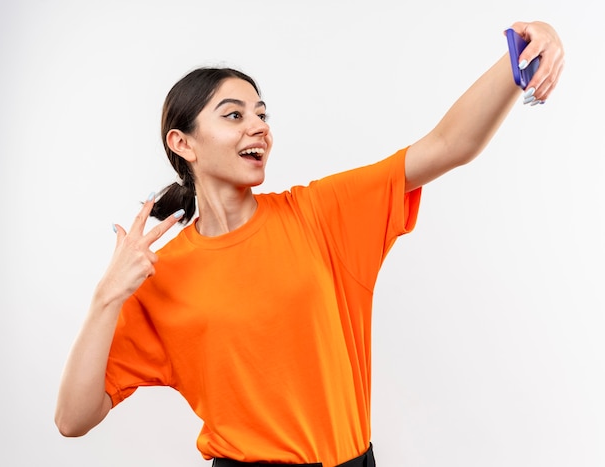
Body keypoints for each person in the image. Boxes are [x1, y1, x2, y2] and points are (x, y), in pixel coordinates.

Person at [55, 21, 564, 467]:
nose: (258, 125)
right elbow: (74, 419)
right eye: (233, 115)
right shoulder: (160, 277)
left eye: (261, 113)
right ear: (182, 143)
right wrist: (107, 297)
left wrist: (520, 52)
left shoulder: (319, 214)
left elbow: (450, 145)